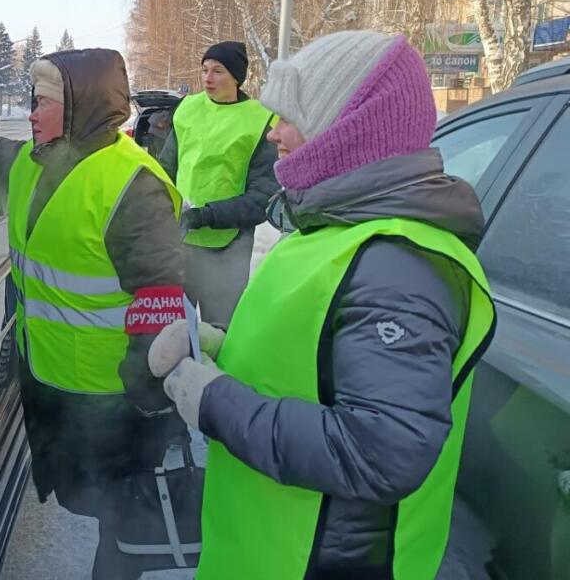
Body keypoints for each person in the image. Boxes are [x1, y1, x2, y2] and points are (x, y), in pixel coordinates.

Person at [149, 30, 497, 580]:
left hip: (322, 560)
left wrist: (215, 401)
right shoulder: (336, 229)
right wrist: (222, 348)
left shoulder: (396, 264)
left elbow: (381, 452)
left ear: (348, 129)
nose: (276, 135)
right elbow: (316, 356)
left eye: (293, 117)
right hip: (280, 548)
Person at [0, 48, 188, 579]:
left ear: (81, 106)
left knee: (120, 521)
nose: (32, 113)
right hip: (49, 381)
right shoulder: (32, 162)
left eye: (41, 102)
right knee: (78, 495)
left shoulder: (133, 185)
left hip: (111, 400)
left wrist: (145, 391)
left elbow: (162, 299)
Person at [157, 41, 277, 325]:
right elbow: (164, 169)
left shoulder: (259, 121)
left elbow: (262, 198)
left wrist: (206, 215)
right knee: (171, 331)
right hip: (180, 244)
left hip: (227, 249)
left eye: (218, 71)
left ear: (236, 77)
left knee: (219, 333)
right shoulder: (187, 110)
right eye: (205, 69)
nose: (208, 78)